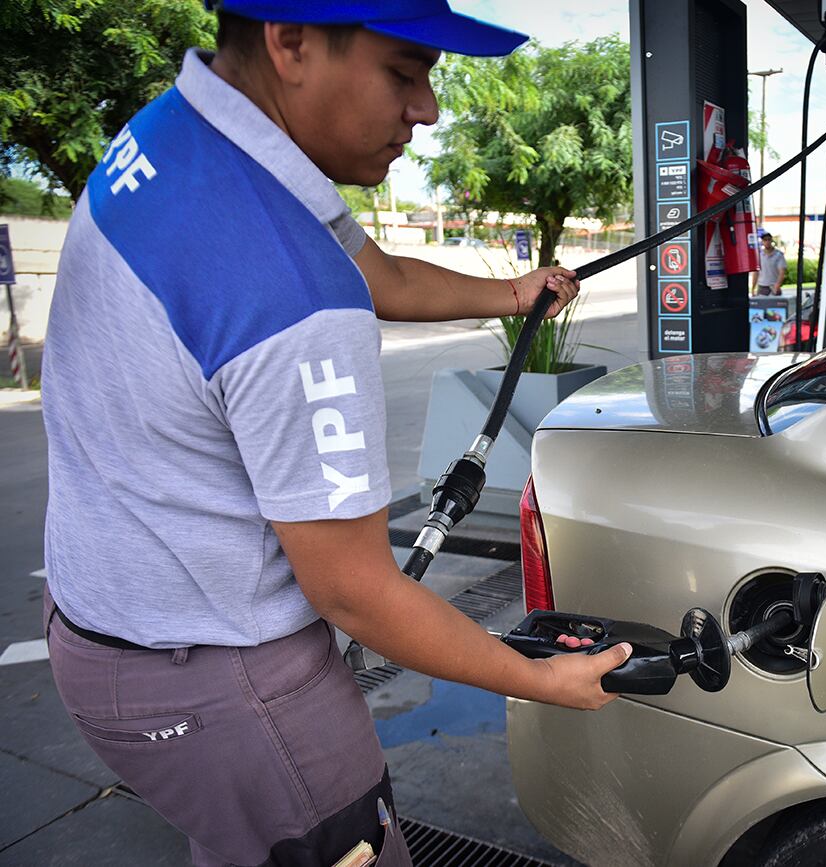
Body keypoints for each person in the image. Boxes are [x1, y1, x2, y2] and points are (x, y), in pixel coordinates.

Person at [40, 3, 632, 864]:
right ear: (290, 42)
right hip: (226, 682)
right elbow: (356, 592)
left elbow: (380, 271)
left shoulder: (178, 138)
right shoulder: (290, 290)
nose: (427, 108)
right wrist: (541, 678)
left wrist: (515, 294)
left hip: (107, 630)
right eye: (403, 72)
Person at [752, 231, 787, 296]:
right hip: (762, 287)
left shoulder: (778, 255)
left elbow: (782, 272)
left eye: (769, 239)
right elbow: (755, 273)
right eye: (765, 240)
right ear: (762, 241)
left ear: (771, 240)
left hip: (774, 286)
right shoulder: (759, 255)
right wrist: (753, 288)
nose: (767, 242)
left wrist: (778, 285)